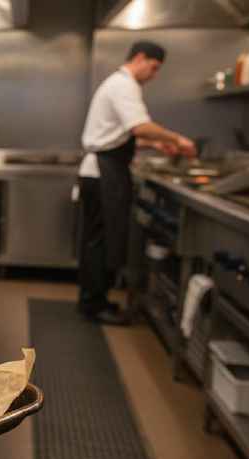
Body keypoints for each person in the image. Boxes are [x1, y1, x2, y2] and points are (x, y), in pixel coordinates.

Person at [77, 40, 197, 325]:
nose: (153, 75)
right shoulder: (124, 84)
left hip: (104, 171)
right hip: (103, 174)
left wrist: (155, 146)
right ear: (140, 58)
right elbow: (139, 126)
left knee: (101, 240)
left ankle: (95, 300)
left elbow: (120, 135)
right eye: (154, 68)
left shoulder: (117, 84)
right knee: (101, 242)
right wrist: (176, 139)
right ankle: (93, 305)